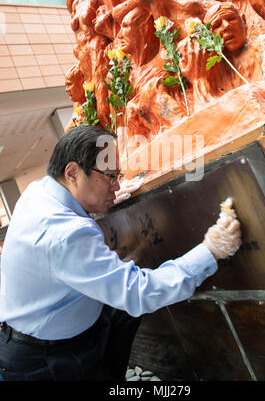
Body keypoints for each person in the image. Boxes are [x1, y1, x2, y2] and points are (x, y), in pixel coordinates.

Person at [0, 125, 241, 381]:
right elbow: (139, 293)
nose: (116, 187)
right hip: (44, 360)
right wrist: (211, 251)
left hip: (38, 329)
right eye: (110, 177)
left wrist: (95, 202)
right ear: (72, 172)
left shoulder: (40, 191)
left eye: (118, 176)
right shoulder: (66, 235)